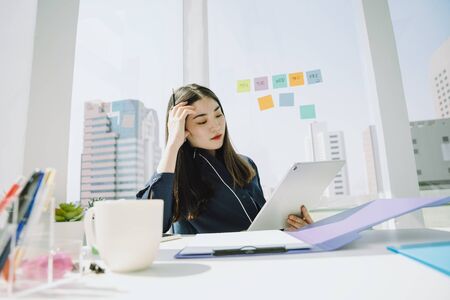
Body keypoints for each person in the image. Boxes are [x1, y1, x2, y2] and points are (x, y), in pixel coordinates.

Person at [136, 84, 313, 234]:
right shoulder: (174, 177)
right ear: (182, 129)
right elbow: (149, 226)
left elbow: (263, 222)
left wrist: (292, 227)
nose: (216, 126)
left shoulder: (246, 165)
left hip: (261, 258)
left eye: (218, 115)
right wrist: (173, 144)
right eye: (201, 121)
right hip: (212, 267)